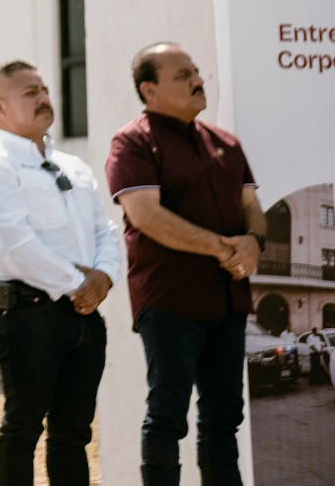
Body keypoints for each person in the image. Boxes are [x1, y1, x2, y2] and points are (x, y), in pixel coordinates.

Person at [105, 43, 266, 486]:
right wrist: (222, 249)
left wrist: (254, 243)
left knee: (224, 419)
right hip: (170, 300)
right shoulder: (133, 141)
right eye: (183, 75)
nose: (198, 80)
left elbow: (251, 206)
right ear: (149, 90)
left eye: (195, 71)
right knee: (167, 416)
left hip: (228, 300)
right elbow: (145, 215)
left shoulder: (226, 142)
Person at [0, 61, 121, 486]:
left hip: (84, 315)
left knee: (73, 433)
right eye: (29, 93)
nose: (43, 99)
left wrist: (104, 278)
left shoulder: (73, 165)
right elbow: (14, 243)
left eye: (44, 90)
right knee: (23, 426)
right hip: (26, 313)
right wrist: (79, 284)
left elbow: (104, 231)